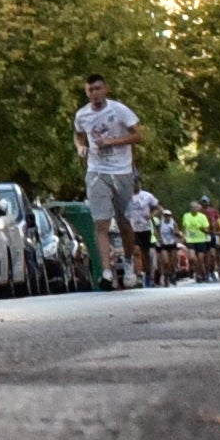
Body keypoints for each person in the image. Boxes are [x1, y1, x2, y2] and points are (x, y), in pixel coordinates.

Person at [72, 73, 145, 289]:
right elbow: (78, 134)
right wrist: (80, 147)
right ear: (87, 92)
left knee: (124, 222)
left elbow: (139, 135)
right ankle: (106, 272)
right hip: (97, 171)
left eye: (98, 89)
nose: (94, 93)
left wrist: (113, 141)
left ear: (105, 89)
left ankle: (129, 266)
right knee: (101, 222)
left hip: (122, 171)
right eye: (90, 90)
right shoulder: (82, 115)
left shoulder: (119, 110)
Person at [181, 199, 212, 281]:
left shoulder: (202, 217)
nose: (193, 209)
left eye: (194, 207)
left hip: (201, 240)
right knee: (193, 258)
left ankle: (202, 273)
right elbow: (184, 227)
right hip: (190, 240)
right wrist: (183, 237)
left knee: (200, 259)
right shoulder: (186, 216)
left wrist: (203, 229)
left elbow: (207, 228)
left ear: (198, 208)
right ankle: (198, 274)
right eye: (191, 207)